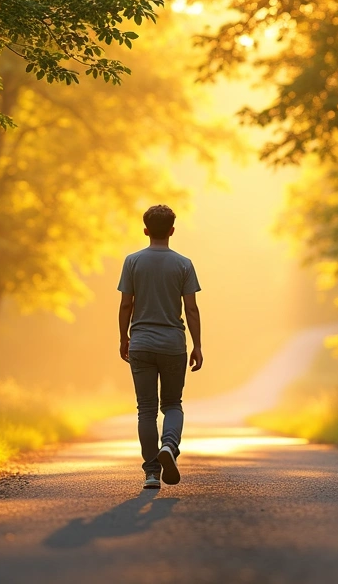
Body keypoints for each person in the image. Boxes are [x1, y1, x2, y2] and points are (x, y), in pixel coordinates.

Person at [117, 204, 203, 489]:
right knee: (172, 404)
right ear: (172, 231)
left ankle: (152, 473)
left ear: (146, 231)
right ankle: (169, 445)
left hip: (141, 343)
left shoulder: (132, 262)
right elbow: (191, 309)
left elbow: (126, 304)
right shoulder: (184, 264)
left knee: (146, 409)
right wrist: (198, 345)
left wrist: (124, 338)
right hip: (173, 344)